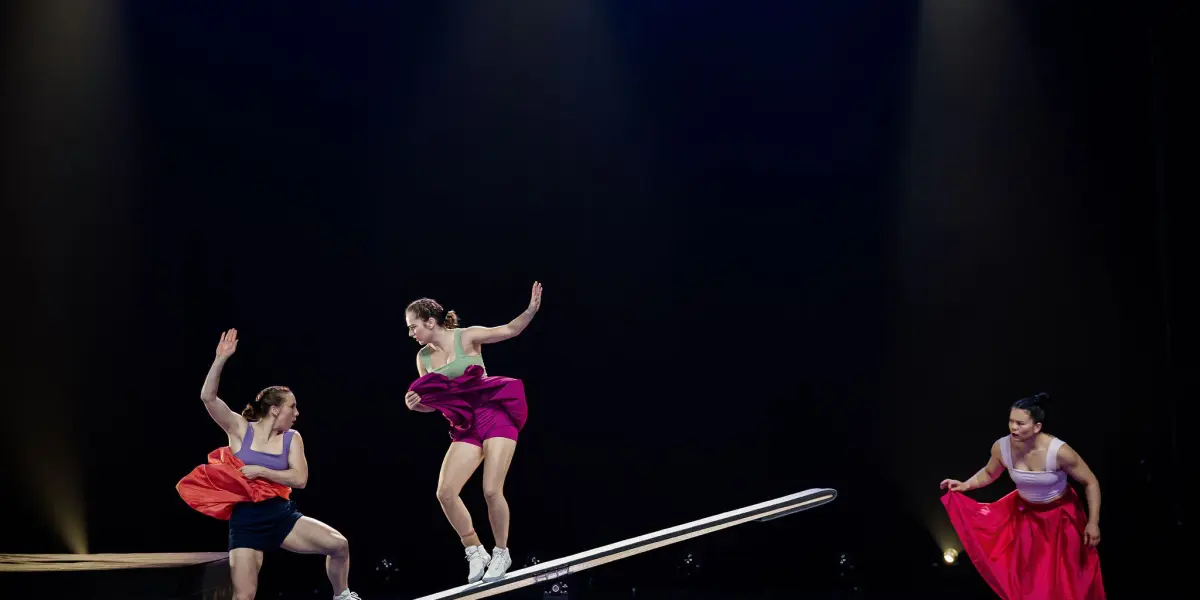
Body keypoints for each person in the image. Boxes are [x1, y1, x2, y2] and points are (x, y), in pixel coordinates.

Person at [198, 328, 362, 600]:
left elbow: (300, 479)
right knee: (244, 596)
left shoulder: (292, 438)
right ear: (275, 410)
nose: (297, 413)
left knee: (339, 545)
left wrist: (261, 471)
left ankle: (342, 596)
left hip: (280, 517)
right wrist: (220, 359)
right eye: (292, 407)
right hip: (246, 522)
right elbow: (208, 398)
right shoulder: (240, 429)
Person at [403, 282, 542, 584]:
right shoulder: (423, 359)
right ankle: (475, 550)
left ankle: (502, 552)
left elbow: (509, 330)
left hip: (495, 416)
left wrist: (530, 310)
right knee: (445, 492)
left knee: (491, 490)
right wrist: (416, 405)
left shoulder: (466, 336)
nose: (411, 333)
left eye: (414, 326)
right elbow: (434, 404)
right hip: (465, 425)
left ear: (430, 322)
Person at [939, 393, 1105, 600]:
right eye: (1011, 421)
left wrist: (1093, 522)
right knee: (1031, 581)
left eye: (1020, 423)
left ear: (1037, 427)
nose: (1013, 428)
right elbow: (989, 473)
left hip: (1061, 517)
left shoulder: (1060, 452)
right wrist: (965, 485)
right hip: (1025, 517)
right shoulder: (1002, 447)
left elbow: (1091, 482)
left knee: (1068, 579)